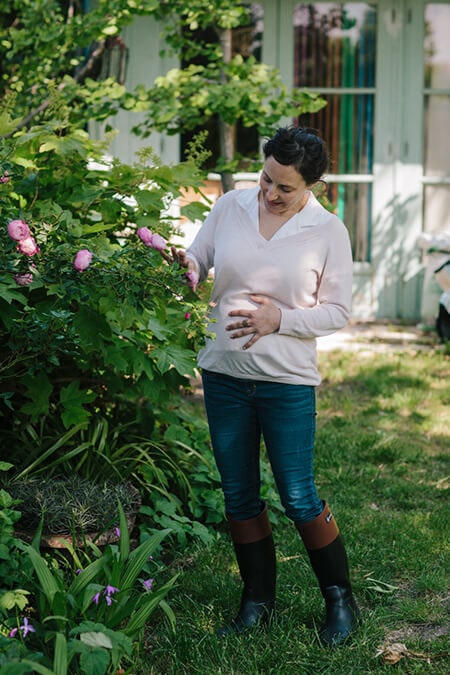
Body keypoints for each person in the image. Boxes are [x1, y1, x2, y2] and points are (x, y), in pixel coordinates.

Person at [171, 126, 360, 646]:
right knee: (238, 496)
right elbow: (199, 258)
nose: (270, 194)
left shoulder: (328, 231)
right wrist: (183, 266)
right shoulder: (231, 206)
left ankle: (340, 600)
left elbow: (339, 310)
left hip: (286, 382)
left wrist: (281, 320)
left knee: (299, 495)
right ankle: (257, 600)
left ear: (313, 187)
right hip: (224, 372)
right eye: (266, 179)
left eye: (285, 188)